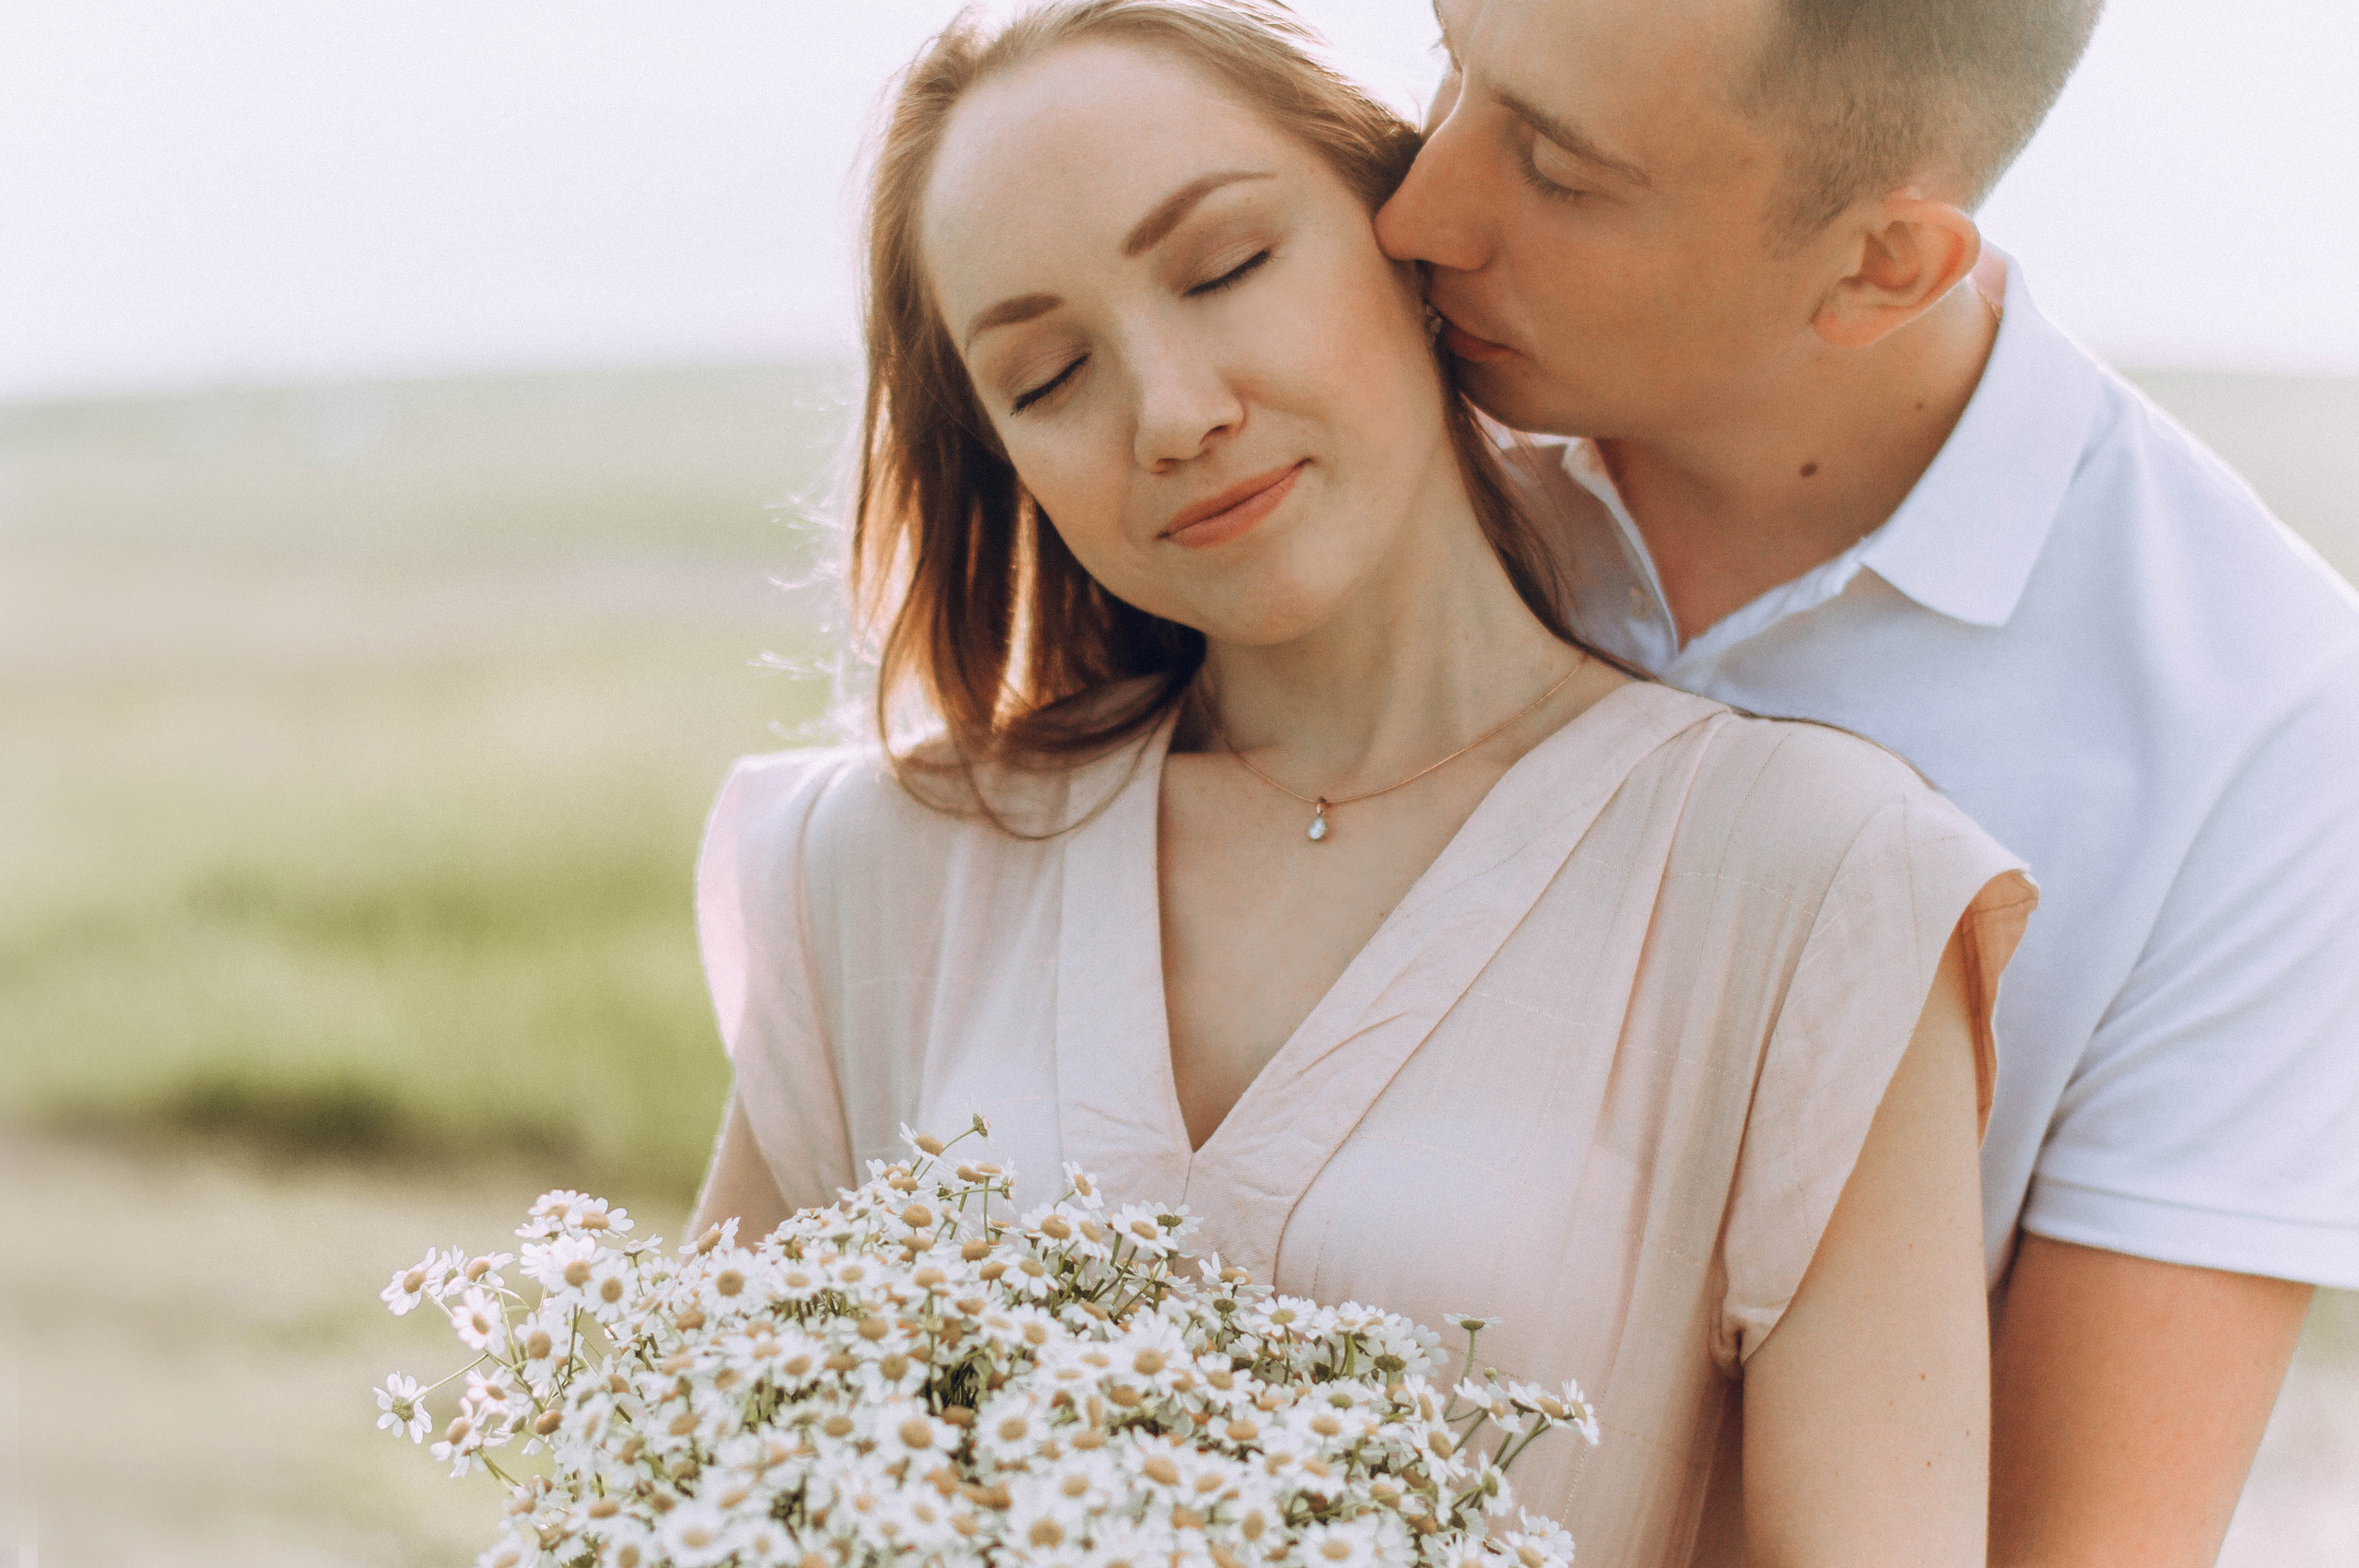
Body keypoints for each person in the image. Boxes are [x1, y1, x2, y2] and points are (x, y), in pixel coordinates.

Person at [691, 2, 2036, 1562]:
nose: (1176, 413)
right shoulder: (885, 865)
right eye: (1050, 375)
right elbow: (690, 1495)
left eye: (1226, 269)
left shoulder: (1814, 886)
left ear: (1402, 244)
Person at [1370, 1, 2359, 1562]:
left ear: (1882, 266)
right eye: (1450, 58)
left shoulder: (2263, 719)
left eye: (1557, 166)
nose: (1417, 203)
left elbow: (2079, 1541)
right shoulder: (1324, 418)